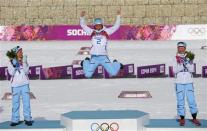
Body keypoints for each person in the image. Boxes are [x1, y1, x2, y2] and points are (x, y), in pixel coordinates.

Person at [80, 10, 123, 78]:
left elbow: (116, 26)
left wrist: (118, 16)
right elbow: (83, 26)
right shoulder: (92, 32)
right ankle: (86, 61)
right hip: (94, 57)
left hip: (103, 57)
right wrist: (82, 17)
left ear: (102, 25)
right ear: (94, 25)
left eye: (99, 25)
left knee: (113, 73)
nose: (98, 27)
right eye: (96, 25)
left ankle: (116, 63)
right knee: (87, 75)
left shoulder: (106, 32)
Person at [173, 42, 201, 126]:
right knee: (180, 101)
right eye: (179, 47)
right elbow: (174, 70)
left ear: (185, 48)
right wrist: (182, 64)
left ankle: (194, 118)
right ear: (177, 48)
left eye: (182, 47)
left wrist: (188, 62)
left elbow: (192, 70)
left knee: (191, 100)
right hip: (179, 82)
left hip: (189, 82)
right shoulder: (175, 57)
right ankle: (182, 119)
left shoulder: (189, 57)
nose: (181, 48)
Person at [6, 46, 33, 126]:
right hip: (15, 86)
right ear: (16, 53)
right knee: (15, 103)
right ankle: (15, 119)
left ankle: (28, 119)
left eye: (22, 51)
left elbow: (26, 71)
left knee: (26, 102)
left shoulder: (24, 61)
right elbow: (11, 73)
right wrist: (14, 65)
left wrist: (24, 62)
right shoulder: (11, 62)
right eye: (20, 51)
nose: (22, 53)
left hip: (25, 84)